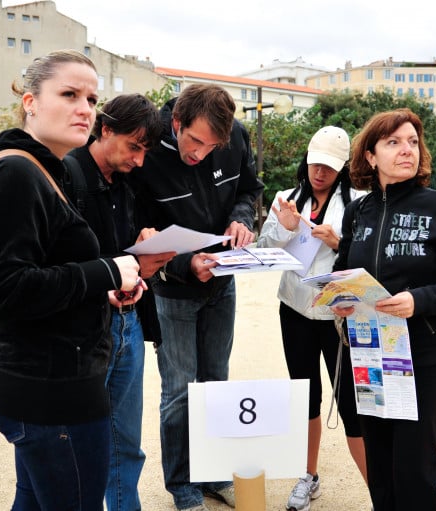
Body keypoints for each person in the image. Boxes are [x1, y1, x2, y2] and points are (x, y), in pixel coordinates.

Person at [0, 49, 144, 510]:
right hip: (52, 389)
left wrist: (103, 287)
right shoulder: (18, 172)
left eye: (91, 97)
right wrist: (106, 269)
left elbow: (45, 270)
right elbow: (6, 290)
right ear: (30, 101)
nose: (85, 108)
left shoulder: (42, 169)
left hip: (47, 382)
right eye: (69, 94)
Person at [331, 108, 436, 510]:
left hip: (420, 355)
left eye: (413, 142)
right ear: (370, 155)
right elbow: (341, 271)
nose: (407, 150)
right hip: (367, 353)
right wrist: (341, 299)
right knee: (379, 462)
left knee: (414, 467)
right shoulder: (357, 212)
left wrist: (418, 301)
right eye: (394, 142)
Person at [130, 83, 263, 511]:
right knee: (180, 391)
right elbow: (141, 232)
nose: (201, 153)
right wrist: (187, 264)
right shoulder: (148, 152)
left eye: (213, 146)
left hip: (223, 281)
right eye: (195, 142)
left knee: (215, 385)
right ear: (176, 123)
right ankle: (182, 485)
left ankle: (215, 473)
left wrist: (242, 220)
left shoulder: (234, 136)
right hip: (173, 289)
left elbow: (248, 188)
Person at [63, 93, 176, 511]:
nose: (140, 160)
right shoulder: (66, 174)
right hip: (86, 329)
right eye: (134, 146)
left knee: (126, 440)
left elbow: (122, 253)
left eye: (145, 150)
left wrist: (145, 250)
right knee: (79, 440)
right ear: (105, 129)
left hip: (130, 321)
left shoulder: (128, 183)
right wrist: (115, 273)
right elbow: (58, 264)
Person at [257, 126, 368, 511]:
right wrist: (285, 230)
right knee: (304, 396)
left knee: (352, 404)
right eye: (316, 163)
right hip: (295, 309)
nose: (320, 172)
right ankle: (309, 475)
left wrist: (341, 242)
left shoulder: (360, 201)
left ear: (343, 168)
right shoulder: (286, 199)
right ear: (306, 159)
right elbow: (263, 248)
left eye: (330, 166)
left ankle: (379, 491)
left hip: (338, 314)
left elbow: (369, 257)